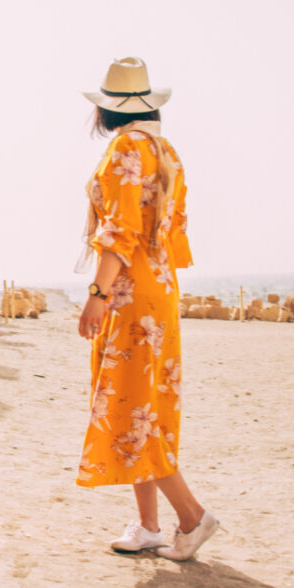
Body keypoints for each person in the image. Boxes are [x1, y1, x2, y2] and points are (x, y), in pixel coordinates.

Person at [76, 56, 219, 560]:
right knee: (142, 403)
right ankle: (148, 525)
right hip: (159, 286)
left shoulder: (126, 148)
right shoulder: (163, 148)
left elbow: (119, 231)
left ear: (105, 110)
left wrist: (97, 296)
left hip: (131, 290)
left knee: (132, 408)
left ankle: (191, 517)